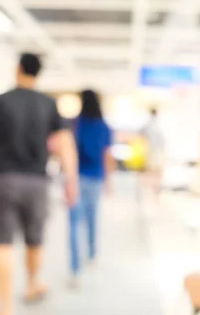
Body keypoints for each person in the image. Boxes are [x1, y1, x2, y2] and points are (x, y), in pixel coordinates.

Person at [0, 53, 79, 315]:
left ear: (18, 69)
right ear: (37, 73)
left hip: (3, 180)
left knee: (3, 244)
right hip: (37, 182)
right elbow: (66, 146)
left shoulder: (0, 102)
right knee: (35, 241)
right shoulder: (49, 104)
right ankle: (32, 285)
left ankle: (5, 307)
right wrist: (71, 180)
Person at [69, 89, 115, 287]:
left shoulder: (75, 124)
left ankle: (75, 269)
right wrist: (108, 180)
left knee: (73, 223)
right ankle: (92, 253)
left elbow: (68, 151)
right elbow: (107, 155)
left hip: (76, 177)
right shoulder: (104, 126)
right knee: (92, 217)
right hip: (95, 177)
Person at [142, 108, 165, 199]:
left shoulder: (147, 125)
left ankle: (150, 193)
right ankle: (154, 194)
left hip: (150, 152)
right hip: (157, 152)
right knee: (156, 174)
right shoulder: (158, 125)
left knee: (149, 173)